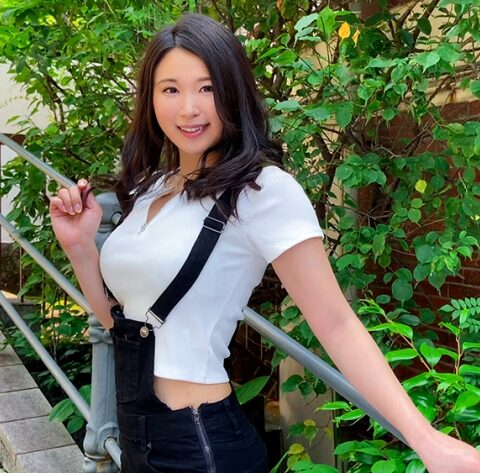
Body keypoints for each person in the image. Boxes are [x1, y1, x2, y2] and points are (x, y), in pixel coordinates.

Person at [49, 12, 480, 473]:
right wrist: (80, 247)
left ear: (233, 92)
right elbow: (121, 324)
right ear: (150, 98)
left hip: (200, 447)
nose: (189, 108)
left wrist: (424, 438)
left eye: (207, 88)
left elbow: (336, 322)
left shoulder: (262, 191)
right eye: (170, 89)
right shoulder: (153, 188)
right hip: (139, 441)